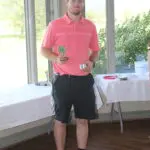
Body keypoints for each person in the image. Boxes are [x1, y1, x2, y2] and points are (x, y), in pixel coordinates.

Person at [41, 0, 100, 150]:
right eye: (73, 0)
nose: (77, 4)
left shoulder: (90, 26)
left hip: (84, 81)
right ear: (66, 2)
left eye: (80, 1)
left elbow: (95, 51)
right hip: (62, 81)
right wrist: (55, 58)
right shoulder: (54, 25)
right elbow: (44, 49)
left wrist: (91, 62)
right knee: (60, 121)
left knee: (83, 121)